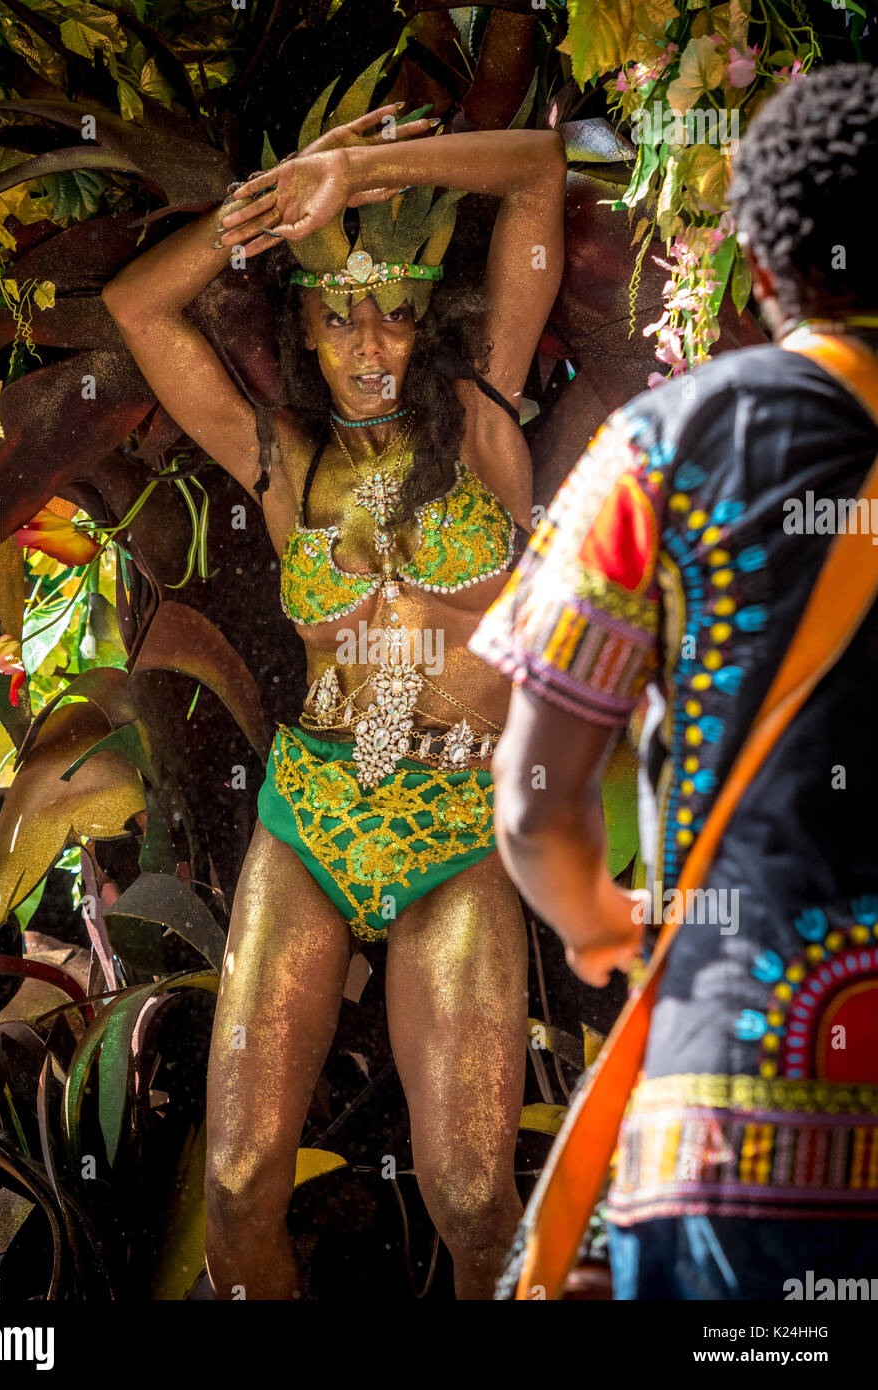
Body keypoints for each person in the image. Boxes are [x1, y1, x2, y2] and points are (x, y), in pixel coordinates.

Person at [102, 73, 566, 1299]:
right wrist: (261, 209)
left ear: (429, 321)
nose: (372, 347)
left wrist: (357, 181)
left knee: (475, 1204)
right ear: (302, 323)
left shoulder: (483, 419)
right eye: (344, 315)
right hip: (310, 817)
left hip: (455, 826)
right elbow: (138, 305)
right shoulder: (278, 457)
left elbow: (537, 175)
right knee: (240, 1192)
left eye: (399, 314)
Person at [470, 63, 878, 1299]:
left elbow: (535, 796)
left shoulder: (669, 442)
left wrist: (598, 915)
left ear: (756, 266)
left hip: (736, 1138)